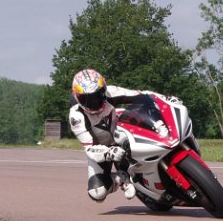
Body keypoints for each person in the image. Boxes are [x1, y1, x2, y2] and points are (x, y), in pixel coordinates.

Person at [68, 68, 175, 203]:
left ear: (104, 90)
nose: (94, 102)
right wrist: (108, 152)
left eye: (98, 95)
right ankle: (120, 178)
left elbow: (141, 95)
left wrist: (165, 99)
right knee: (97, 192)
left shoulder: (111, 92)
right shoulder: (76, 116)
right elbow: (90, 148)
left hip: (120, 131)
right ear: (77, 97)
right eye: (87, 99)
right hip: (101, 149)